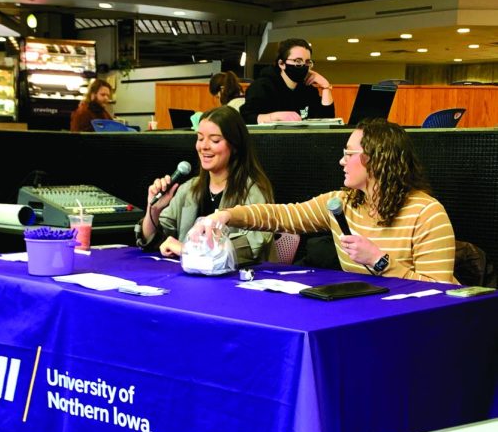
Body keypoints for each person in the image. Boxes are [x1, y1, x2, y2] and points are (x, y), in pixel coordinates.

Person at [190, 118, 457, 283]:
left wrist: (379, 261)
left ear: (376, 160)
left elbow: (439, 291)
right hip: (369, 316)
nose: (341, 161)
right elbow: (283, 216)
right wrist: (224, 215)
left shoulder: (426, 213)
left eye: (348, 153)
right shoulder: (343, 202)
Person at [135, 105, 275, 263]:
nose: (204, 146)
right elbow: (151, 241)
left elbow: (252, 246)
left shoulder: (252, 190)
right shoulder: (188, 189)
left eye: (215, 140)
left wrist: (187, 251)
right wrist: (153, 210)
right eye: (200, 138)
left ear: (235, 146)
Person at [240, 38, 335, 124]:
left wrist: (325, 86)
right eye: (298, 61)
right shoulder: (261, 87)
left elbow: (328, 121)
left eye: (307, 62)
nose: (303, 66)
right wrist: (274, 117)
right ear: (282, 64)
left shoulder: (308, 89)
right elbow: (245, 118)